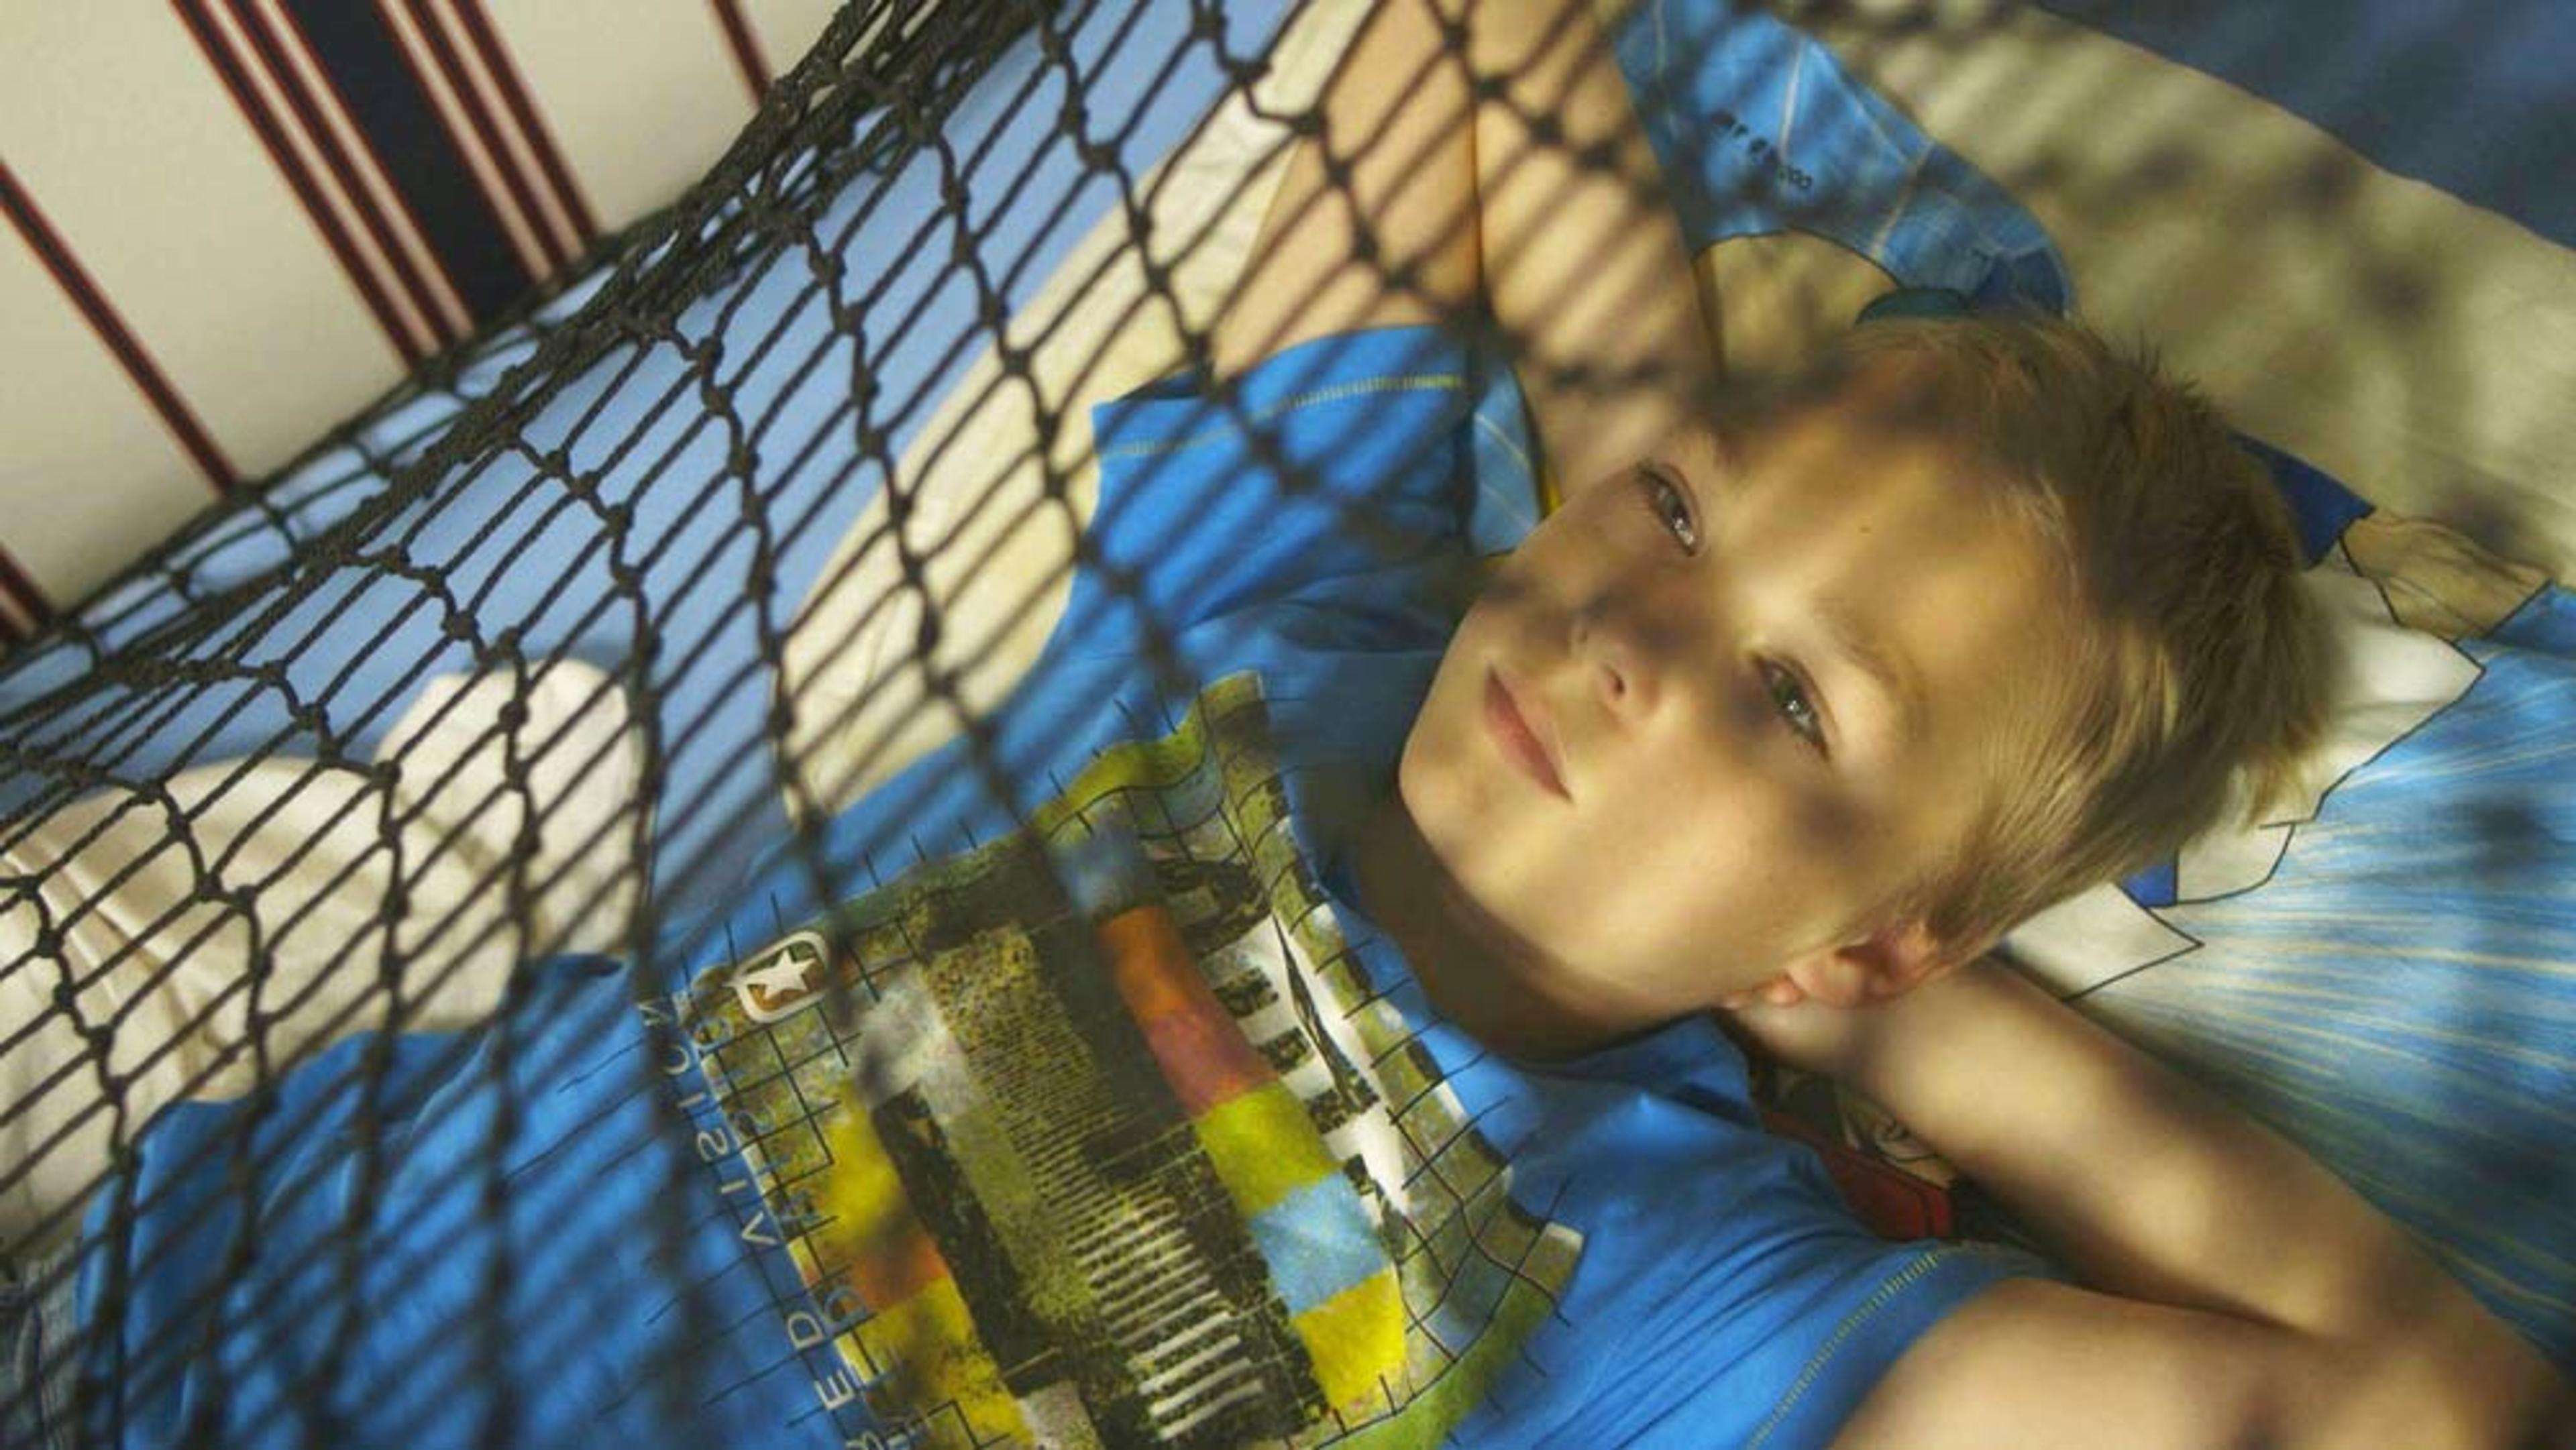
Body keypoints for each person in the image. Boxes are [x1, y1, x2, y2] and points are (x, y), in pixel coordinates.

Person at [5, 3, 2569, 1448]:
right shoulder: (1299, 609)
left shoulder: (1711, 1314)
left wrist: (1928, 1021)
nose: (1642, 655)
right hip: (141, 1307)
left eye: (1796, 704)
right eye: (1676, 527)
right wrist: (1661, 515)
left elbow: (2437, 1418)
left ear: (1886, 918)